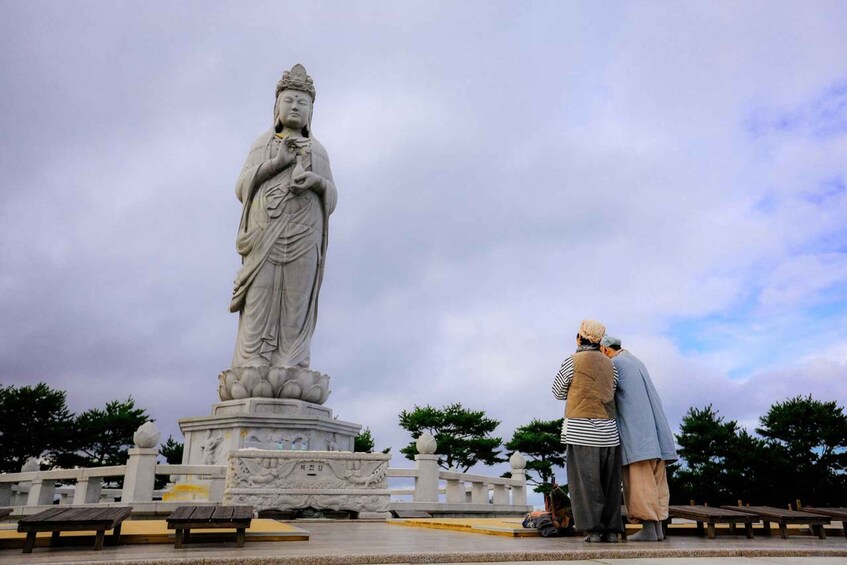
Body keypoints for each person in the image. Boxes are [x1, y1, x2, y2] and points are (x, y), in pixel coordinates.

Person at [230, 64, 337, 371]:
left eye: (302, 102)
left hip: (305, 236)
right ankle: (252, 363)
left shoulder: (318, 152)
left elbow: (332, 196)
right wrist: (277, 163)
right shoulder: (263, 145)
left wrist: (316, 183)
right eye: (289, 100)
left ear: (311, 112)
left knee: (296, 302)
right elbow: (241, 187)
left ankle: (291, 364)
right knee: (260, 300)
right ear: (276, 107)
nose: (295, 106)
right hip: (265, 236)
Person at [552, 319, 623, 543]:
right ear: (600, 341)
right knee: (610, 483)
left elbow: (557, 391)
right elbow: (612, 390)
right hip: (609, 430)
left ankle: (593, 530)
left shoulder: (571, 361)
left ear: (578, 337)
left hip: (580, 430)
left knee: (585, 483)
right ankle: (612, 530)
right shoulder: (611, 365)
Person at [601, 335, 677, 542]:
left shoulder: (615, 363)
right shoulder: (637, 361)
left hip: (637, 437)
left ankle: (649, 529)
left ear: (605, 350)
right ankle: (658, 529)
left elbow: (607, 395)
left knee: (640, 484)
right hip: (657, 437)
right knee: (658, 484)